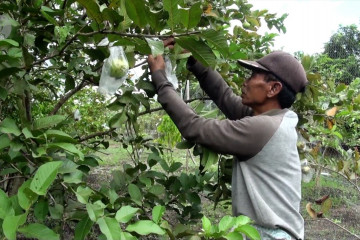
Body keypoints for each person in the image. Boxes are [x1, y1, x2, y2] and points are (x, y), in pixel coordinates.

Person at [147, 40, 308, 240]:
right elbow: (224, 96)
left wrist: (160, 78)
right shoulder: (275, 119)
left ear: (273, 88)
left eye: (253, 76)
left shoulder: (263, 128)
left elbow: (193, 127)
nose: (245, 82)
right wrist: (193, 57)